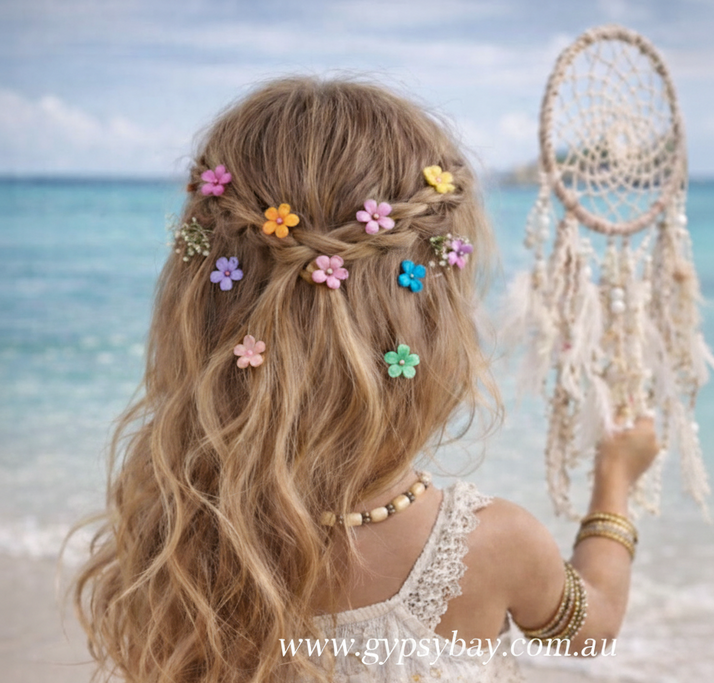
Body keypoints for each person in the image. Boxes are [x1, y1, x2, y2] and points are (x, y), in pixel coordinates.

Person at [71, 76, 659, 683]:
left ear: (203, 305)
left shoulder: (172, 524)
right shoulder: (486, 545)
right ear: (433, 314)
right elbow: (593, 630)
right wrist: (614, 483)